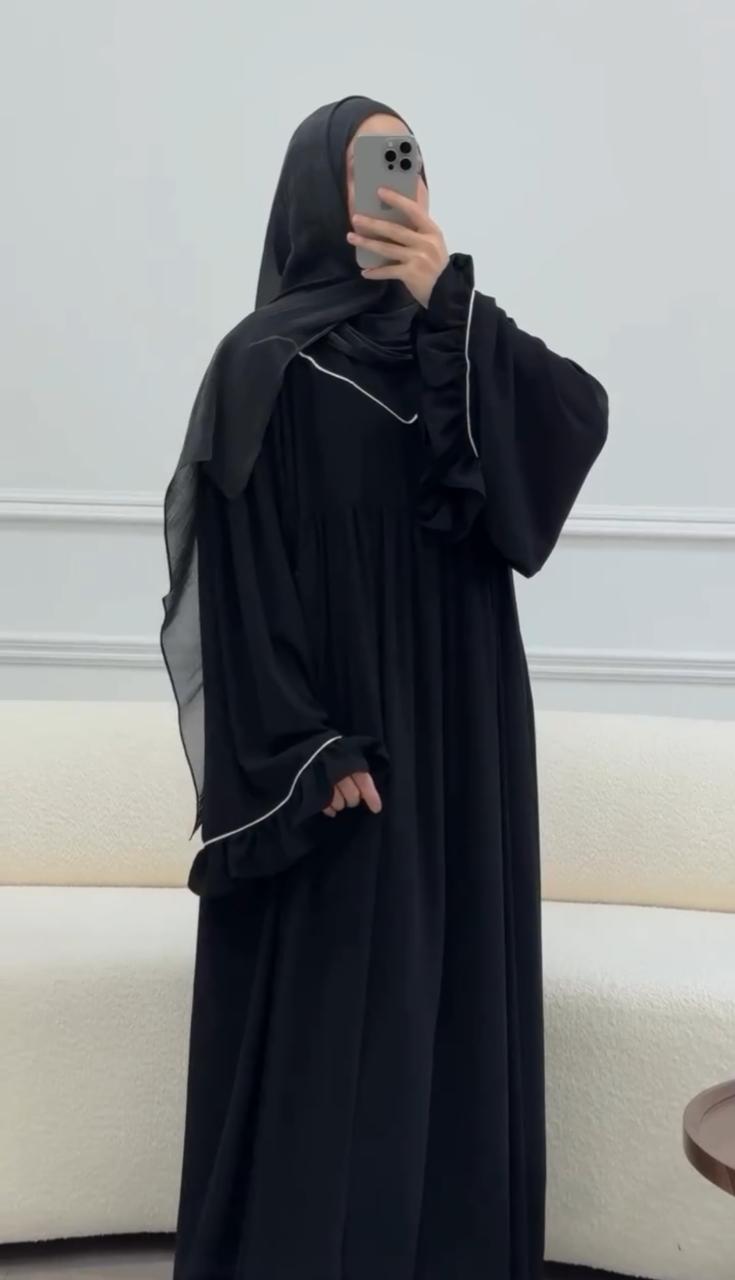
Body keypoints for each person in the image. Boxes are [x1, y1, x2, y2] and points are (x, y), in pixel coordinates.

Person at [160, 94, 609, 1280]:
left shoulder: (451, 346)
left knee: (453, 1002)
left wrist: (446, 294)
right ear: (322, 191)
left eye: (408, 165)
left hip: (466, 727)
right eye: (371, 165)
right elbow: (240, 573)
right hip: (351, 750)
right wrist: (306, 746)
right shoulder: (262, 364)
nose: (394, 187)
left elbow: (572, 422)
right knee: (342, 1034)